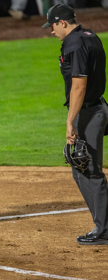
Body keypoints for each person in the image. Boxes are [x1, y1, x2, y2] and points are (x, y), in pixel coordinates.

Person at [42, 4, 108, 245]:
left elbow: (79, 86)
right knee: (82, 169)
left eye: (52, 26)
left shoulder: (75, 44)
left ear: (62, 22)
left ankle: (104, 230)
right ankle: (104, 225)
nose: (50, 31)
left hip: (88, 113)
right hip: (97, 107)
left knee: (88, 171)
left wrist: (70, 121)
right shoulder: (91, 37)